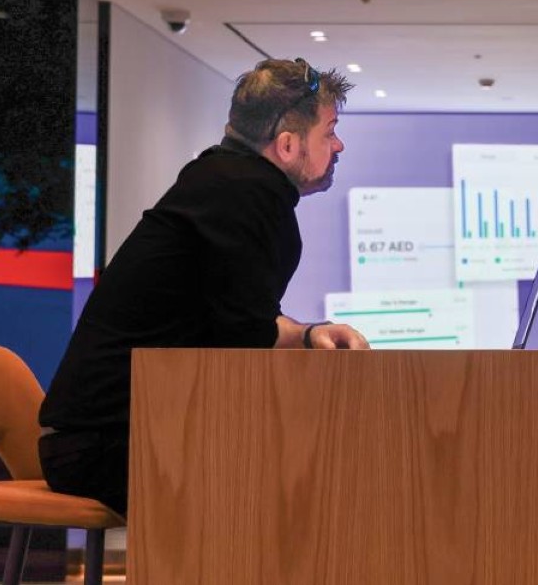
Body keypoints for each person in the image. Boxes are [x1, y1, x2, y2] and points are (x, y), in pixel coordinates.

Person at [39, 57, 370, 517]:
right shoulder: (250, 195)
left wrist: (309, 334)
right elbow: (244, 342)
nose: (338, 145)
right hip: (113, 445)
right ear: (288, 144)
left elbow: (239, 322)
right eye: (329, 131)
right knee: (309, 486)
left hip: (94, 440)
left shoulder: (222, 181)